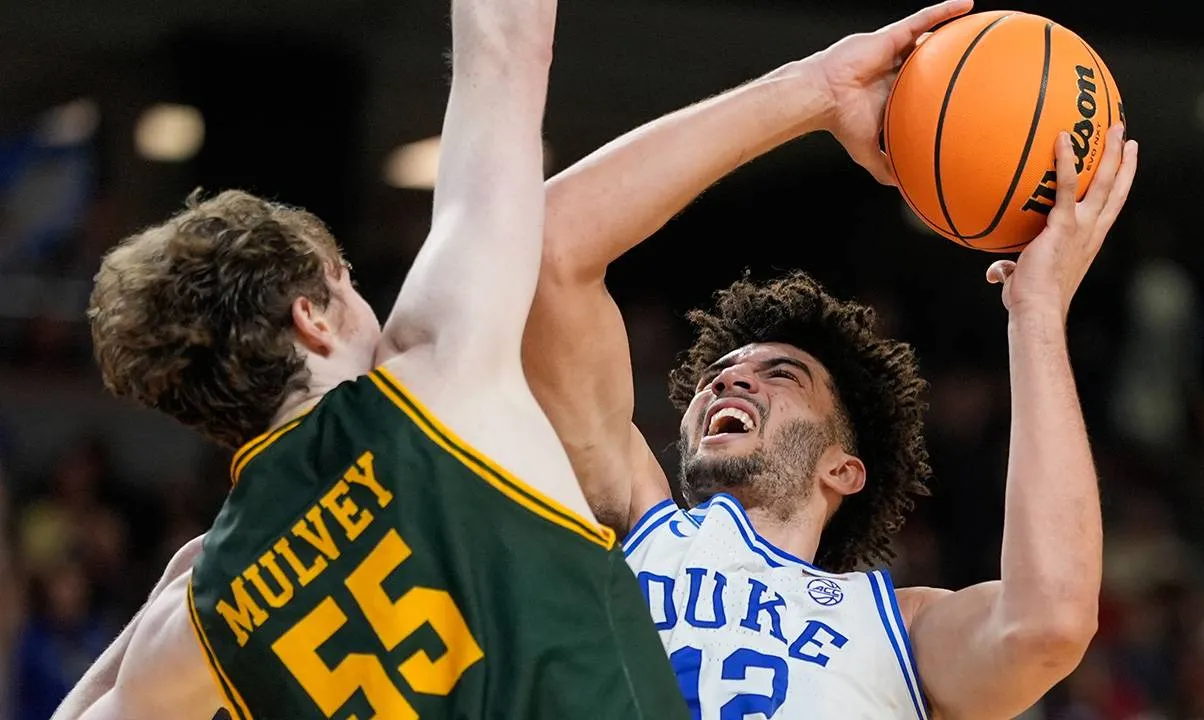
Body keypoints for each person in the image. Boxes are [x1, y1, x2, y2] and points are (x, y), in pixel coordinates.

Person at [52, 0, 686, 717]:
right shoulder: (431, 377)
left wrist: (180, 587)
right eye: (347, 284)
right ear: (312, 319)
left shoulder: (199, 620)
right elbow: (509, 44)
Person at [523, 1, 1140, 717]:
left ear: (842, 468)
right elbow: (548, 252)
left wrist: (1036, 316)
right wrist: (813, 89)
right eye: (722, 376)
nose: (731, 379)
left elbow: (1050, 625)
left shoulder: (895, 631)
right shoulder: (634, 523)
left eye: (779, 374)